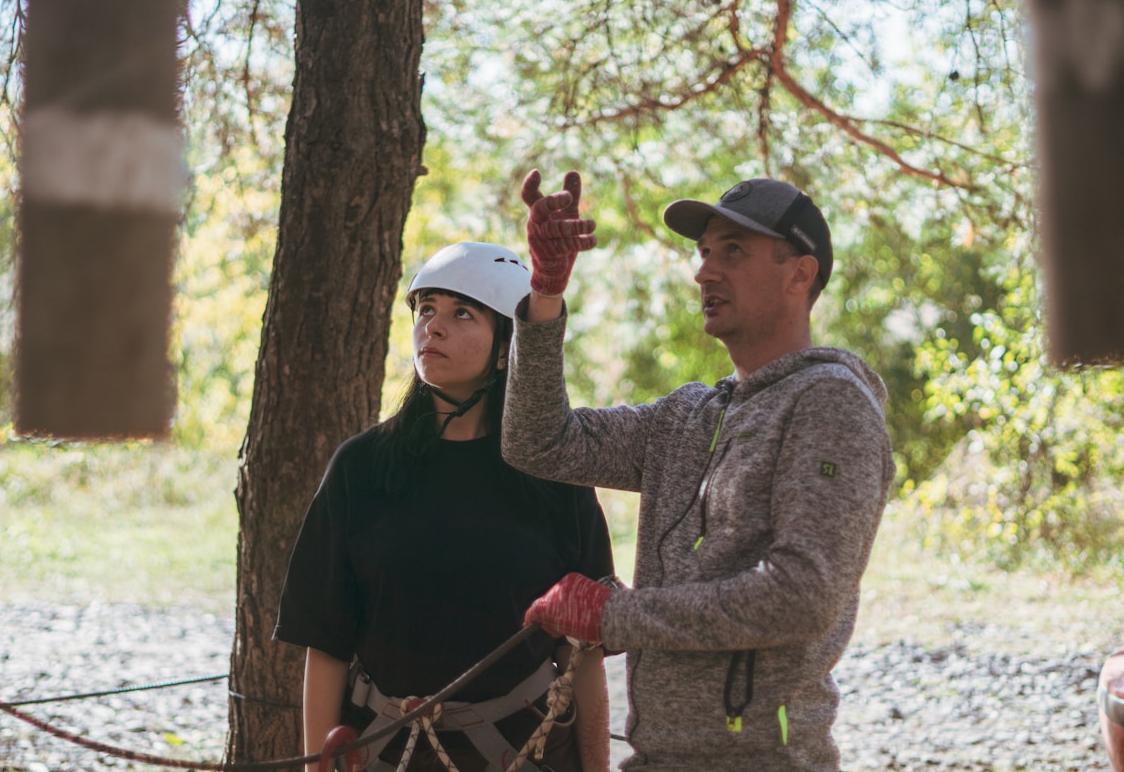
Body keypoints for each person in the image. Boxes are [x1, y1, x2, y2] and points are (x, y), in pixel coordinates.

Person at [502, 170, 895, 772]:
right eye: (705, 252)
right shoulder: (684, 415)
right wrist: (545, 296)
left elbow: (802, 597)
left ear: (800, 273)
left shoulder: (830, 403)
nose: (704, 271)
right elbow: (539, 444)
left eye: (733, 251)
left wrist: (613, 616)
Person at [273, 241, 616, 772]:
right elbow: (326, 641)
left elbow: (583, 650)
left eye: (462, 314)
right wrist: (316, 765)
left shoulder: (555, 472)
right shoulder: (362, 468)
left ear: (508, 346)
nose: (433, 327)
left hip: (528, 753)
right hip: (386, 752)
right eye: (427, 308)